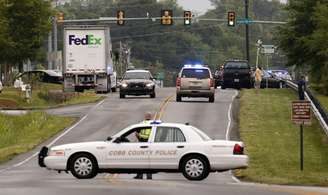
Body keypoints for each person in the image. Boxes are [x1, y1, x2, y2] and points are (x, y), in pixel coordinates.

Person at [134, 112, 153, 180]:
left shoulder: (142, 123)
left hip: (141, 143)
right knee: (148, 160)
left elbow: (136, 133)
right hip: (150, 143)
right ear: (151, 117)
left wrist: (139, 139)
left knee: (140, 160)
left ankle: (139, 175)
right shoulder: (154, 123)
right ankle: (149, 176)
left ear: (145, 117)